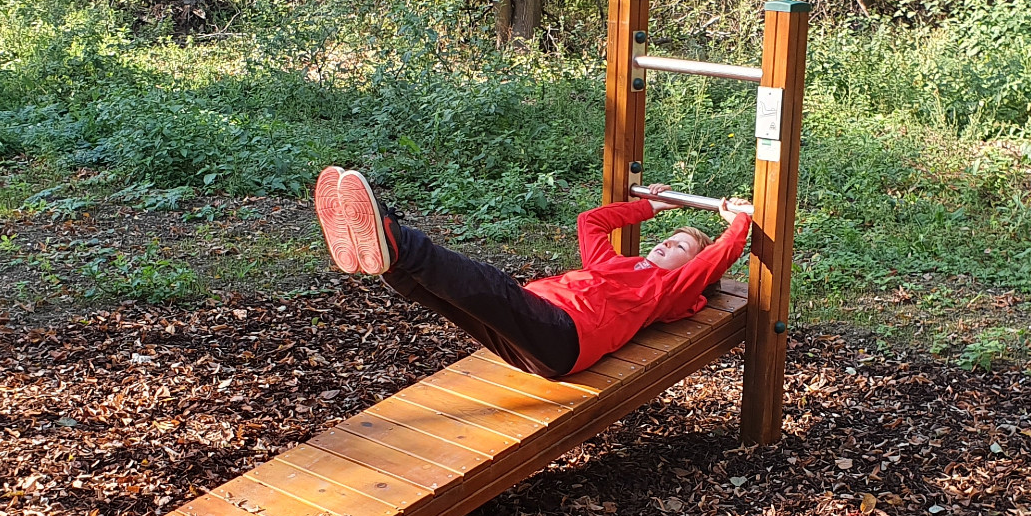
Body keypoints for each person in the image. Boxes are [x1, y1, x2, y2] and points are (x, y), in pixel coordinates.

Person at [313, 166, 754, 380]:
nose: (666, 245)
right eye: (669, 238)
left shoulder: (668, 290)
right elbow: (590, 222)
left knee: (487, 284)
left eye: (680, 248)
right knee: (452, 300)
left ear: (690, 268)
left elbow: (714, 260)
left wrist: (740, 221)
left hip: (565, 336)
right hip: (535, 333)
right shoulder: (613, 264)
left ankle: (397, 238)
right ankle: (390, 261)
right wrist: (650, 207)